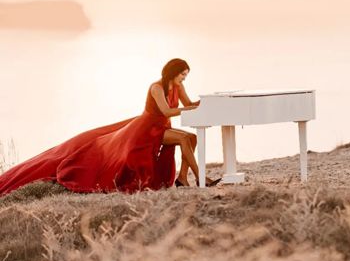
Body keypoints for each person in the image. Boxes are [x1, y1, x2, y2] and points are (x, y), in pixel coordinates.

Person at [0, 58, 221, 196]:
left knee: (191, 138)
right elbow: (165, 111)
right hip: (146, 130)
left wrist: (205, 103)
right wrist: (187, 111)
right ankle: (203, 179)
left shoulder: (178, 86)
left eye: (186, 75)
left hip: (161, 127)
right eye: (182, 74)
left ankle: (183, 178)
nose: (184, 78)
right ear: (173, 73)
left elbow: (189, 104)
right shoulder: (157, 87)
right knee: (185, 139)